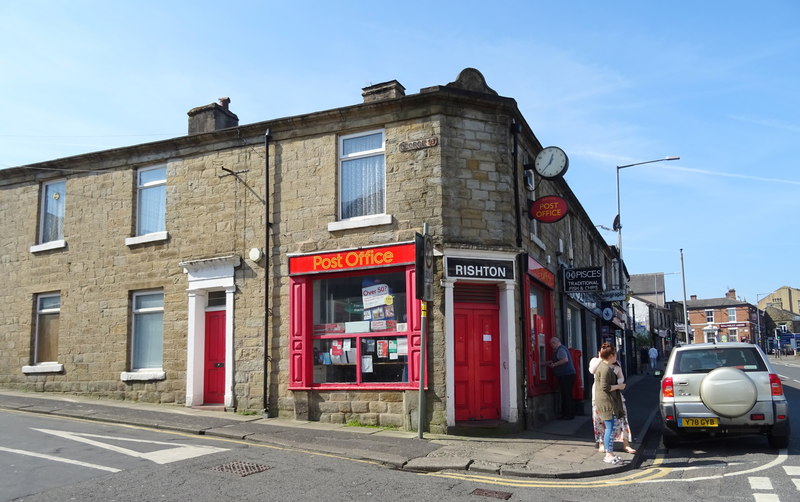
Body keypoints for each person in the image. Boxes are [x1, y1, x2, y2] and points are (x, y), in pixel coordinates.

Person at [589, 346, 636, 454]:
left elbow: (621, 377)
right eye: (613, 354)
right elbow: (592, 370)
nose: (616, 356)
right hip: (599, 396)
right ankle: (602, 443)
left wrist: (618, 383)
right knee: (599, 420)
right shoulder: (595, 361)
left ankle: (626, 444)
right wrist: (602, 357)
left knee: (622, 419)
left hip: (616, 396)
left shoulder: (616, 364)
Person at [595, 342, 626, 465]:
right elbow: (605, 387)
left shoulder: (605, 366)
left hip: (606, 400)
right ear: (611, 355)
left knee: (611, 427)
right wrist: (619, 386)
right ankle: (608, 454)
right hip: (606, 401)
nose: (616, 357)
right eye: (615, 355)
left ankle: (610, 453)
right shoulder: (606, 368)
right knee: (610, 428)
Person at [549, 337, 576, 420]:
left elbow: (565, 360)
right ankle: (567, 413)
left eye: (551, 344)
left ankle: (568, 415)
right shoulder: (561, 349)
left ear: (555, 343)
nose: (551, 346)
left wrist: (554, 365)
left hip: (566, 375)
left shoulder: (560, 349)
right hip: (567, 374)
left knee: (566, 395)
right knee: (566, 394)